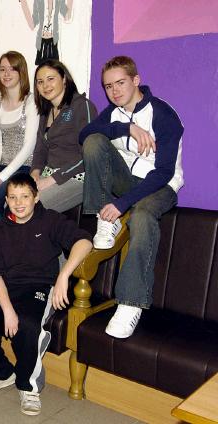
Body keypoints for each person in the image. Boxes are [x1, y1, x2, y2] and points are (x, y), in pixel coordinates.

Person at [0, 173, 92, 415]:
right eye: (12, 197)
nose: (19, 202)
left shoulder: (50, 220)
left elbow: (84, 242)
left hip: (38, 286)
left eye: (25, 196)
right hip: (4, 284)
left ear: (36, 197)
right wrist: (7, 309)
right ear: (6, 200)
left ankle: (29, 385)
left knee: (28, 325)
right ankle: (0, 373)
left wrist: (64, 275)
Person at [79, 56, 184, 338]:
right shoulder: (113, 113)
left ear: (136, 80)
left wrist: (122, 203)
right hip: (128, 182)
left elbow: (163, 172)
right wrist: (126, 128)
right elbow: (85, 134)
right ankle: (105, 221)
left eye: (121, 83)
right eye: (108, 86)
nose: (114, 91)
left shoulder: (162, 114)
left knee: (141, 215)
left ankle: (130, 302)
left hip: (161, 186)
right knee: (93, 142)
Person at [30, 59, 97, 212]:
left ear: (64, 79)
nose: (45, 86)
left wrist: (52, 179)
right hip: (49, 174)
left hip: (77, 176)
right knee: (12, 204)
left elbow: (89, 155)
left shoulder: (82, 106)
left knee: (31, 208)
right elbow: (40, 148)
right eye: (40, 82)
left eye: (50, 79)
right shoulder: (45, 112)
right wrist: (35, 172)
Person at [0, 51, 40, 212]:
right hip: (1, 166)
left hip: (24, 167)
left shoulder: (31, 101)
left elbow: (29, 146)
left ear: (21, 72)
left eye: (12, 69)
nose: (6, 74)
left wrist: (2, 177)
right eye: (2, 69)